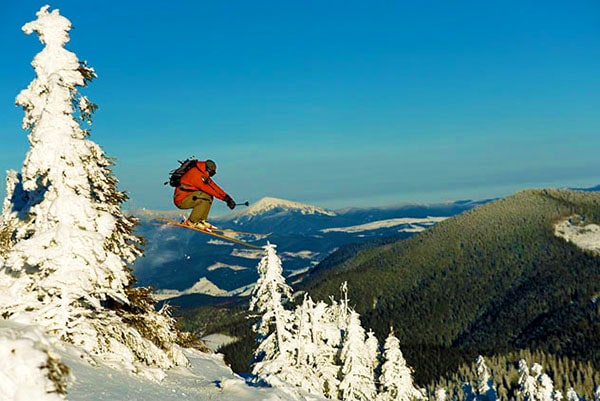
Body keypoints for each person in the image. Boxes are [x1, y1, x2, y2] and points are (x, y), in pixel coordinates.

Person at [173, 159, 236, 230]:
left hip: (189, 196)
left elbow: (213, 186)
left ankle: (201, 220)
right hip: (181, 200)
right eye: (212, 173)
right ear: (208, 170)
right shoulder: (196, 175)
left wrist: (227, 198)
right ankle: (192, 221)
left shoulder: (202, 172)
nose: (211, 176)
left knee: (209, 196)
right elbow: (210, 189)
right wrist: (226, 199)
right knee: (204, 196)